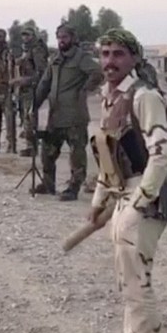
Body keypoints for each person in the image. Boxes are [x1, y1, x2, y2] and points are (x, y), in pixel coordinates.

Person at [89, 28, 167, 333]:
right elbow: (110, 155)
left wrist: (140, 202)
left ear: (134, 58)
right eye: (105, 53)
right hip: (125, 191)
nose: (110, 61)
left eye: (118, 54)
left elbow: (162, 153)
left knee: (137, 285)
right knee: (131, 281)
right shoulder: (110, 97)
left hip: (144, 196)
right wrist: (99, 201)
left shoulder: (144, 96)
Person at [32, 24, 103, 201]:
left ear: (72, 38)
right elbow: (44, 84)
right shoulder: (55, 60)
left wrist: (85, 89)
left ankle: (73, 187)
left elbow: (97, 73)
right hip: (55, 116)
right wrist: (34, 105)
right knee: (47, 152)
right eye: (59, 37)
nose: (61, 41)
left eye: (64, 37)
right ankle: (48, 184)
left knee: (76, 155)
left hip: (74, 116)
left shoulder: (80, 58)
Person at [11, 25, 49, 157]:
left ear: (33, 36)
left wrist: (24, 80)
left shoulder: (37, 50)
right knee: (25, 116)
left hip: (32, 88)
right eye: (23, 35)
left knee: (30, 117)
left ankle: (32, 147)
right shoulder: (27, 50)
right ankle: (29, 144)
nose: (25, 38)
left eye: (28, 35)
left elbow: (42, 72)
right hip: (24, 89)